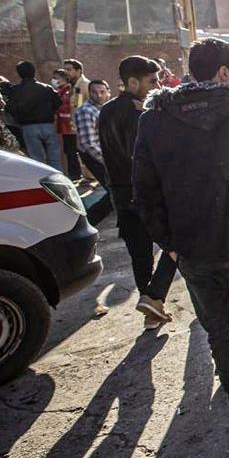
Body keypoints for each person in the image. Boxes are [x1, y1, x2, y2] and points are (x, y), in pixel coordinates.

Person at [132, 38, 229, 434]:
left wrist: (168, 241)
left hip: (193, 248)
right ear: (224, 72)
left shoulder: (154, 119)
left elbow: (144, 191)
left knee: (218, 329)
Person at [99, 55, 178, 330]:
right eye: (152, 81)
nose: (157, 86)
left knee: (140, 255)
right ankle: (154, 296)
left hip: (120, 194)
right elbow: (141, 157)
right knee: (176, 244)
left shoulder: (106, 110)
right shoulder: (138, 112)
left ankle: (151, 311)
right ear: (132, 82)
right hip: (145, 194)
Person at [7, 60, 63, 169]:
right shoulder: (46, 88)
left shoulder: (16, 90)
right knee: (54, 157)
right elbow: (58, 102)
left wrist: (19, 117)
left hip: (28, 126)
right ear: (34, 72)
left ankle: (42, 182)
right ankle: (58, 178)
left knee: (37, 160)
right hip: (48, 125)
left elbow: (10, 108)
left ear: (19, 73)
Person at [73, 79, 114, 225]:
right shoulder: (86, 111)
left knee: (116, 193)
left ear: (108, 92)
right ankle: (86, 223)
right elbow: (89, 144)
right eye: (94, 92)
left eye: (102, 92)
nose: (99, 95)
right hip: (96, 157)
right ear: (89, 93)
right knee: (113, 193)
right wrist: (110, 161)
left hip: (106, 155)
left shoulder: (106, 108)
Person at [52, 69, 83, 180]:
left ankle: (77, 175)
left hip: (72, 125)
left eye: (57, 78)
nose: (54, 80)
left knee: (73, 151)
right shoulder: (58, 91)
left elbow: (77, 105)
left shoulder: (72, 90)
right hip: (63, 126)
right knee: (68, 151)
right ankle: (73, 174)